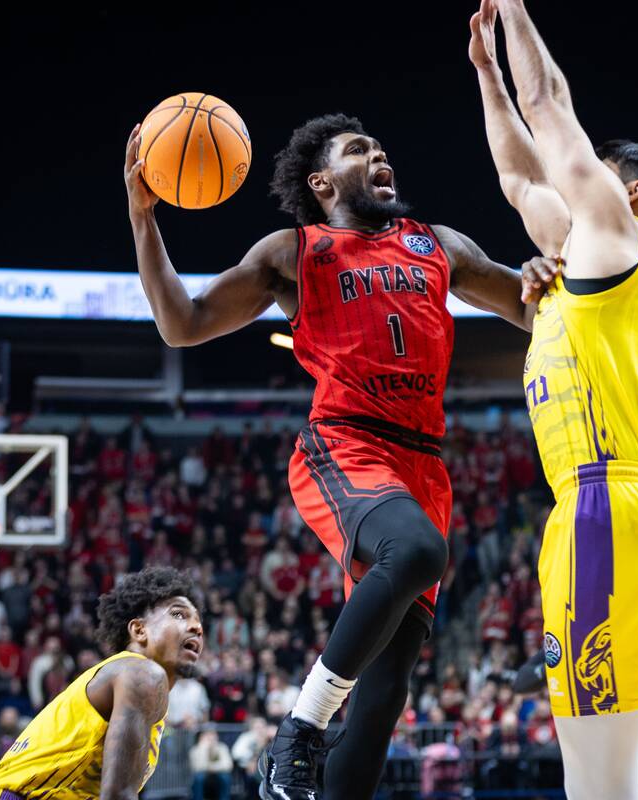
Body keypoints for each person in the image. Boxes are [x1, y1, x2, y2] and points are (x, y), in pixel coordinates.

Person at [125, 100, 541, 800]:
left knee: (384, 695)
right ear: (322, 184)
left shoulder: (440, 244)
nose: (380, 157)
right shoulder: (293, 252)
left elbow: (535, 310)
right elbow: (182, 323)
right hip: (346, 446)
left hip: (423, 466)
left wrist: (546, 277)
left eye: (380, 148)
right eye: (358, 150)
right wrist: (143, 218)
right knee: (414, 552)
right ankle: (299, 732)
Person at [469, 1, 638, 797]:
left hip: (610, 517)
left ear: (631, 191)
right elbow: (518, 178)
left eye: (595, 170)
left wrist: (509, 10)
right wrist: (485, 73)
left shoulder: (617, 230)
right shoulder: (603, 265)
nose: (575, 175)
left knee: (596, 788)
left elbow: (551, 110)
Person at [0, 567, 204, 800]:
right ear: (139, 630)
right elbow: (118, 796)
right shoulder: (142, 673)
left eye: (198, 620)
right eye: (179, 614)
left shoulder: (131, 680)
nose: (197, 627)